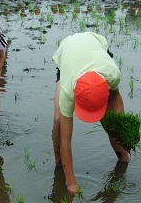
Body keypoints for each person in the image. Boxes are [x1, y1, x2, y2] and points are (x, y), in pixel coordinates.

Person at [52, 32, 130, 194]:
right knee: (59, 120)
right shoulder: (68, 90)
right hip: (68, 54)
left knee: (110, 118)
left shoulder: (111, 73)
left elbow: (115, 96)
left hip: (96, 47)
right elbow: (66, 141)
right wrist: (71, 183)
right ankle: (59, 162)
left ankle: (123, 157)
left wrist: (121, 129)